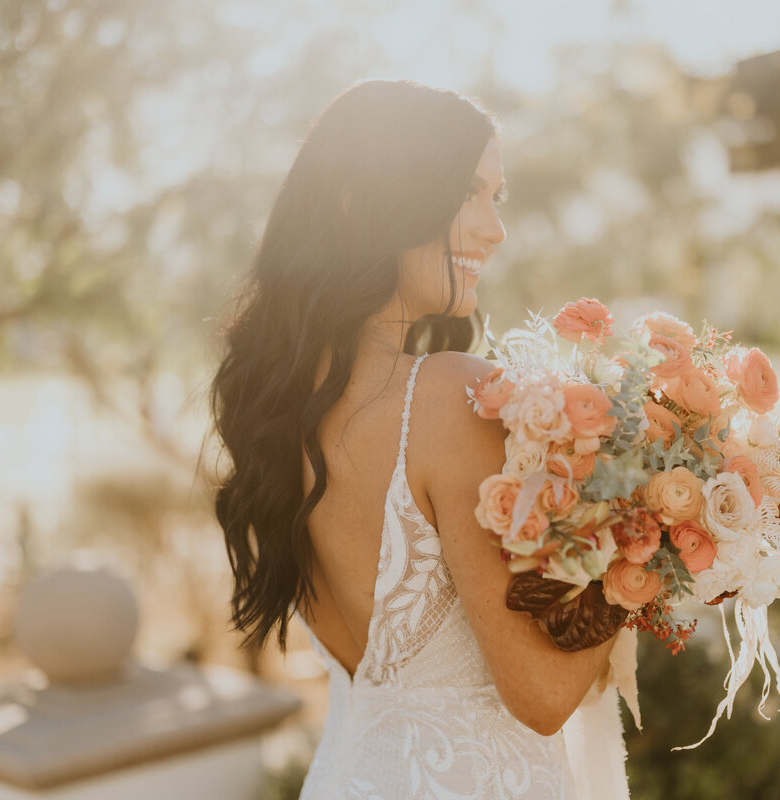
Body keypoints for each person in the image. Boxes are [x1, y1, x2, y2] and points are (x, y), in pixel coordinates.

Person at [212, 80, 629, 798]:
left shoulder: (279, 411)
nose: (494, 229)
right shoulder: (445, 398)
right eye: (467, 192)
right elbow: (542, 697)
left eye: (497, 197)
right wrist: (646, 541)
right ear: (366, 201)